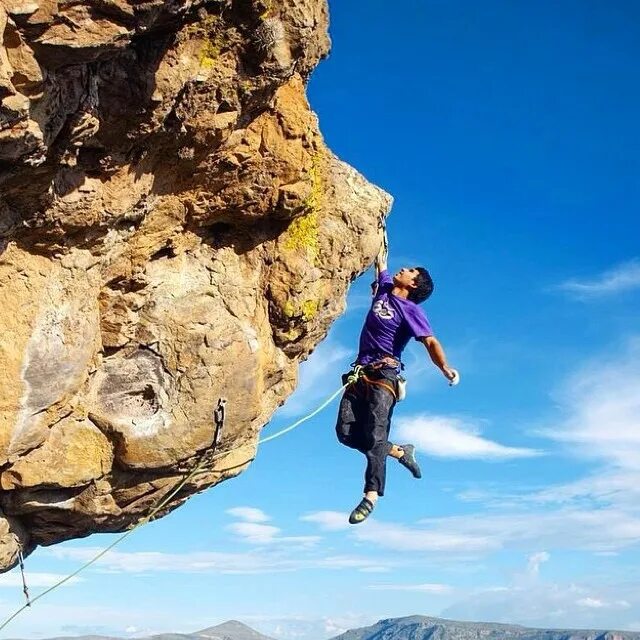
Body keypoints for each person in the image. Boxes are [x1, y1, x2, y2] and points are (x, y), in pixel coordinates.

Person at [335, 232, 458, 524]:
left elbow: (430, 341)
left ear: (414, 284)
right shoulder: (386, 288)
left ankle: (370, 496)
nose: (405, 269)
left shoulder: (412, 310)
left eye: (411, 271)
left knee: (375, 435)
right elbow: (381, 260)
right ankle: (400, 451)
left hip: (385, 376)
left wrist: (444, 368)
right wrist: (379, 227)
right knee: (345, 433)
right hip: (359, 372)